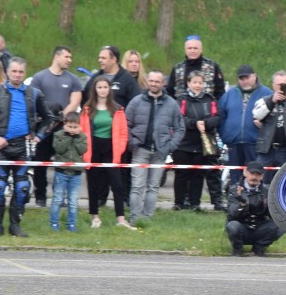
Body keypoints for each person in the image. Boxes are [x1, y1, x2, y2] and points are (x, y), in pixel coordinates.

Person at [125, 69, 185, 225]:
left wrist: (170, 146)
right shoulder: (136, 101)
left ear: (163, 83)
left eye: (157, 81)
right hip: (140, 150)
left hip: (160, 152)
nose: (153, 84)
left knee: (153, 188)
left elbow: (180, 128)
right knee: (137, 186)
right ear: (147, 81)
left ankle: (147, 219)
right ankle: (134, 219)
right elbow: (125, 124)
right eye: (151, 81)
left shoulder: (172, 104)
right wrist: (132, 142)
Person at [0, 57, 49, 237]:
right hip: (1, 148)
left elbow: (49, 119)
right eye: (14, 71)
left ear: (24, 73)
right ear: (8, 72)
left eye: (21, 72)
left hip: (23, 147)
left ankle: (15, 225)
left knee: (22, 189)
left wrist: (38, 136)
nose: (17, 75)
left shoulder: (34, 93)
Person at [29, 46, 84, 207]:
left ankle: (61, 197)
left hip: (63, 128)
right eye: (67, 56)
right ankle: (40, 196)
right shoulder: (39, 78)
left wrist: (63, 114)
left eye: (70, 57)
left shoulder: (73, 79)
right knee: (41, 162)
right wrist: (48, 116)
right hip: (44, 129)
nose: (69, 60)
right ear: (57, 56)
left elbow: (75, 101)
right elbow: (34, 100)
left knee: (64, 164)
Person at [79, 76, 134, 229]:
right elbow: (82, 131)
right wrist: (85, 151)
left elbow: (123, 133)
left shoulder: (118, 109)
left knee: (117, 185)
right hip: (93, 149)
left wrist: (120, 148)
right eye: (99, 87)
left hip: (111, 150)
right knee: (93, 184)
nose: (102, 90)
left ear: (109, 89)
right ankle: (95, 217)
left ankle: (121, 220)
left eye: (105, 87)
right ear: (95, 90)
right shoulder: (87, 109)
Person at [173, 70, 222, 210]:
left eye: (200, 82)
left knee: (197, 175)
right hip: (183, 143)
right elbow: (179, 118)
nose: (197, 85)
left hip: (202, 144)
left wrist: (205, 123)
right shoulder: (181, 100)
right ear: (188, 83)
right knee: (181, 174)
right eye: (194, 82)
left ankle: (195, 203)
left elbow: (217, 117)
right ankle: (178, 202)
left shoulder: (210, 99)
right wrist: (194, 123)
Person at [217, 64, 271, 186]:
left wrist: (263, 130)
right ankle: (235, 201)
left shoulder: (267, 93)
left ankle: (256, 201)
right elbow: (220, 116)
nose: (244, 81)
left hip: (256, 143)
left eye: (247, 77)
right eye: (241, 78)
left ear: (255, 76)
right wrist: (226, 135)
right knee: (235, 176)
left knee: (255, 174)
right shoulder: (229, 94)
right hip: (234, 143)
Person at [253, 70, 286, 182]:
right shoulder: (265, 100)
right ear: (273, 85)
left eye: (284, 85)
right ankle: (263, 199)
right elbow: (257, 114)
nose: (281, 87)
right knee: (261, 180)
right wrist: (272, 101)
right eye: (278, 84)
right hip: (267, 150)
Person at [225, 161, 283, 256]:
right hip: (242, 227)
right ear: (245, 173)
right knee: (232, 226)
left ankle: (259, 248)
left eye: (258, 174)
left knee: (281, 224)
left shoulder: (268, 191)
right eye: (252, 173)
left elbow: (275, 215)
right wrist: (242, 204)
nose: (254, 177)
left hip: (260, 228)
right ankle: (237, 250)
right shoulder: (234, 189)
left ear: (262, 176)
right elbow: (231, 214)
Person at [49, 111, 87, 232]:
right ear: (64, 124)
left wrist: (76, 137)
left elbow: (82, 150)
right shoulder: (58, 134)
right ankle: (54, 223)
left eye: (75, 127)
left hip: (76, 174)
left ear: (79, 126)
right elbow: (59, 149)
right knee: (57, 199)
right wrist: (68, 136)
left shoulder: (82, 136)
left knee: (73, 201)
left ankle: (71, 224)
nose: (72, 129)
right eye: (70, 127)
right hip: (61, 172)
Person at [166, 35, 225, 100]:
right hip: (182, 107)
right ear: (185, 50)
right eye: (189, 48)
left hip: (207, 107)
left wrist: (215, 106)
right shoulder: (177, 69)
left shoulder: (213, 66)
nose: (192, 51)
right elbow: (169, 91)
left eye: (195, 48)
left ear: (201, 49)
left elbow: (220, 91)